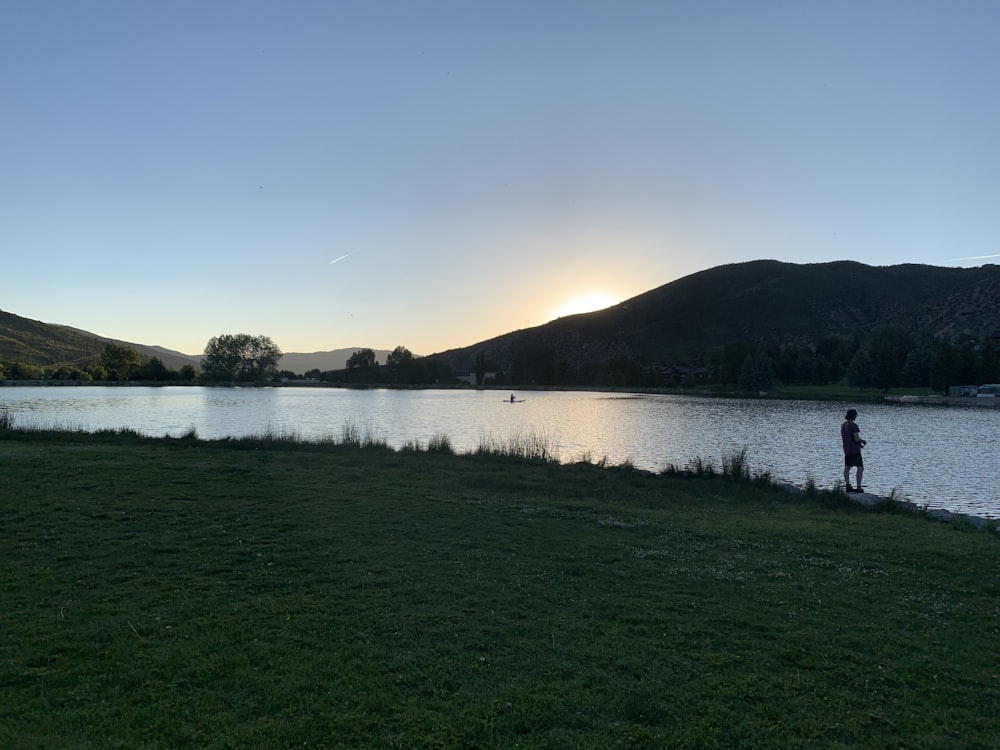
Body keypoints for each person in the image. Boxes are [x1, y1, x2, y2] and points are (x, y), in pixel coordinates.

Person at [841, 408, 867, 493]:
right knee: (860, 468)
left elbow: (848, 438)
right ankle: (858, 487)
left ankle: (848, 485)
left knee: (847, 467)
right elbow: (856, 438)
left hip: (846, 449)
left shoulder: (843, 425)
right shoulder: (854, 425)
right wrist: (862, 441)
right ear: (854, 416)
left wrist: (859, 444)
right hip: (855, 450)